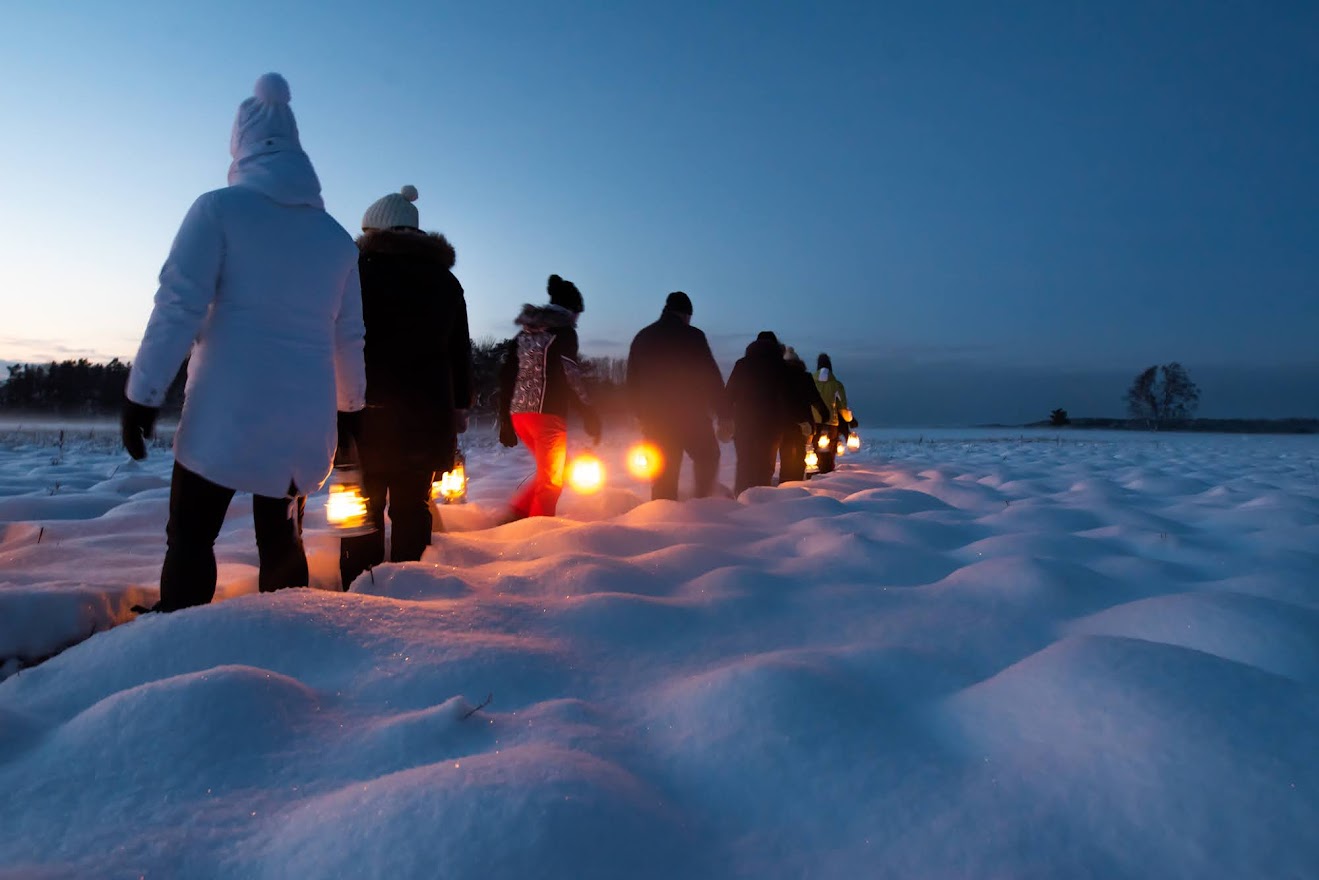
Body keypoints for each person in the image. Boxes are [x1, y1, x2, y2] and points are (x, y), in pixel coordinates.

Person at [121, 73, 365, 612]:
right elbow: (347, 338)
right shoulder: (337, 240)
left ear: (241, 146)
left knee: (191, 538)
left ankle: (177, 644)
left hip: (223, 420)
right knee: (282, 541)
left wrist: (143, 393)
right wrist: (350, 410)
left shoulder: (218, 211)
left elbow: (178, 306)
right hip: (303, 426)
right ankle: (286, 643)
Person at [338, 186, 473, 589]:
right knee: (413, 507)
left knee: (363, 507)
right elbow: (458, 353)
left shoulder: (355, 273)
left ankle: (361, 591)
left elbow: (339, 341)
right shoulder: (446, 282)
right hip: (428, 415)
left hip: (366, 411)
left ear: (373, 230)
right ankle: (410, 596)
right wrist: (460, 407)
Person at [497, 275, 601, 518]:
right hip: (547, 416)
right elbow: (571, 373)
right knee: (551, 483)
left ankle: (516, 515)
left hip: (519, 416)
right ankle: (537, 538)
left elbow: (506, 374)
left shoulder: (524, 334)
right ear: (571, 310)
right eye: (578, 313)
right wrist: (589, 410)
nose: (578, 320)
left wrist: (504, 418)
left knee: (550, 473)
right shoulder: (564, 333)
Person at [625, 291, 726, 500]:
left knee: (663, 475)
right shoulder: (693, 336)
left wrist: (640, 416)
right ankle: (703, 502)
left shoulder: (643, 337)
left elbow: (632, 383)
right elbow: (710, 377)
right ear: (686, 314)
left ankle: (664, 520)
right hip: (691, 416)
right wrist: (724, 414)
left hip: (655, 420)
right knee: (708, 456)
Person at [724, 331, 789, 495]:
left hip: (743, 424)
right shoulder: (781, 366)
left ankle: (740, 500)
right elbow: (786, 398)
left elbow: (729, 394)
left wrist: (725, 418)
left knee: (744, 464)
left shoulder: (741, 364)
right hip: (770, 426)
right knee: (765, 467)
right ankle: (761, 505)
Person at [778, 346, 829, 483]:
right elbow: (815, 398)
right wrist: (824, 414)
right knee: (800, 455)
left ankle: (784, 482)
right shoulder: (806, 377)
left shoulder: (779, 377)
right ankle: (796, 481)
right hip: (804, 424)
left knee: (785, 454)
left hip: (784, 423)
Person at [813, 352, 855, 475]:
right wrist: (849, 419)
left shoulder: (810, 381)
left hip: (814, 423)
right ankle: (828, 475)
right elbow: (843, 406)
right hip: (831, 423)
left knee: (814, 449)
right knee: (829, 453)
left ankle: (813, 473)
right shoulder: (837, 385)